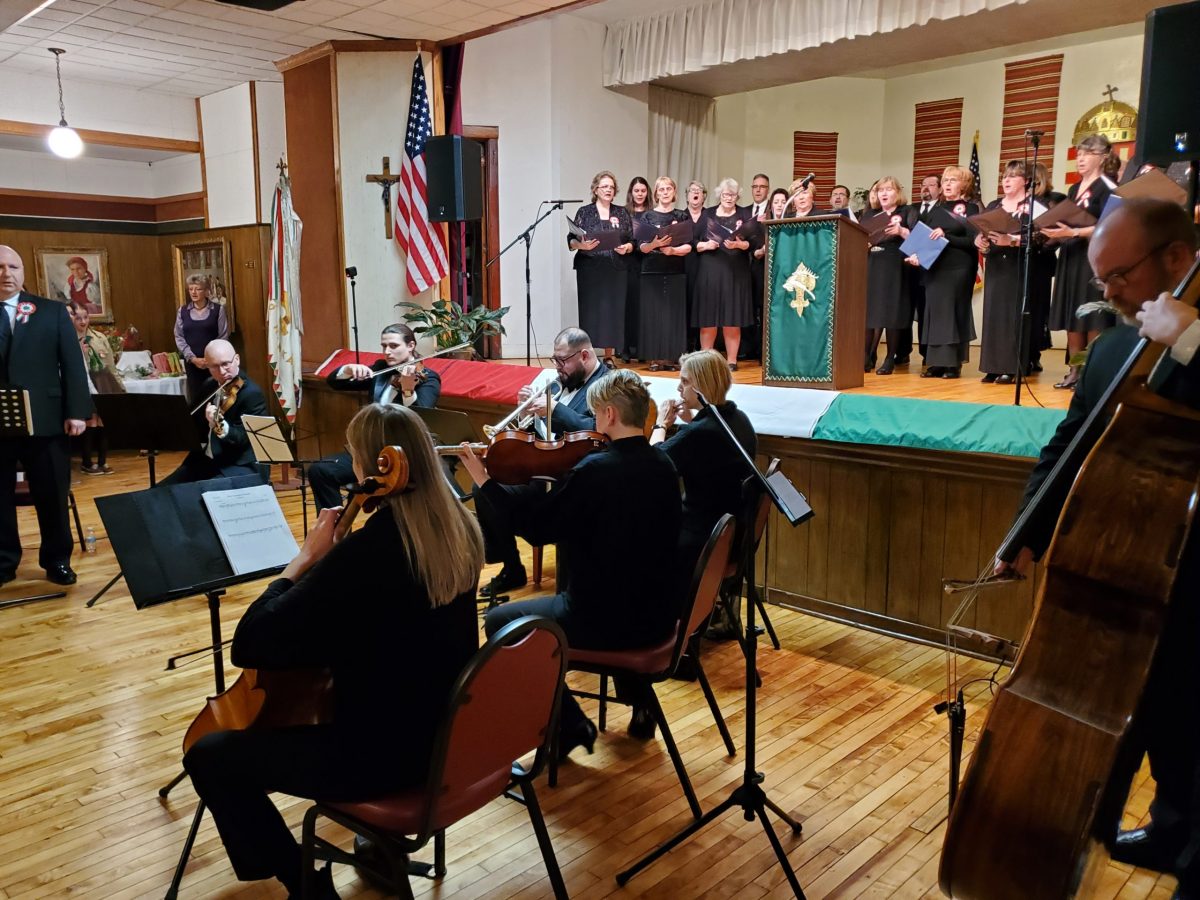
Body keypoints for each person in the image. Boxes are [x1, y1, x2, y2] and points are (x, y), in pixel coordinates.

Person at [184, 403, 483, 898]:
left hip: (382, 758)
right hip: (451, 738)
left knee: (211, 755)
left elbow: (252, 642)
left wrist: (303, 561)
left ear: (374, 467)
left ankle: (305, 886)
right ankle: (379, 846)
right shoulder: (460, 531)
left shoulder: (366, 554)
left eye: (353, 456)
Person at [996, 199, 1200, 895]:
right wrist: (1025, 531)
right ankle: (1170, 828)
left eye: (1121, 276)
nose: (1108, 293)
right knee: (1158, 712)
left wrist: (1192, 341)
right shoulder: (1113, 348)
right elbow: (1070, 447)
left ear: (1177, 258)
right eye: (1101, 278)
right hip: (1131, 567)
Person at [463, 369, 682, 752]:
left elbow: (537, 529)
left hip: (601, 620)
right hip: (659, 617)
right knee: (621, 581)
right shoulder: (664, 464)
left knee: (499, 621)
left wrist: (484, 482)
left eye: (596, 413)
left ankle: (570, 724)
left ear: (610, 414)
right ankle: (639, 701)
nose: (594, 422)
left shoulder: (595, 470)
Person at [475, 327, 609, 598]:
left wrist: (554, 409)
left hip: (574, 476)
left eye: (562, 360)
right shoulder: (561, 382)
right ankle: (511, 565)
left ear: (584, 355)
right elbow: (542, 433)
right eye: (554, 360)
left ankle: (542, 539)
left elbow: (597, 431)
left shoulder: (606, 385)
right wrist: (528, 411)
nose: (557, 367)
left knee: (513, 504)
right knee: (485, 487)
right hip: (542, 466)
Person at [0, 245, 92, 587]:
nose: (6, 274)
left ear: (23, 271)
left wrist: (77, 411)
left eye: (13, 267)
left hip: (46, 419)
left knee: (52, 494)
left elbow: (72, 363)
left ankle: (57, 561)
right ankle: (4, 562)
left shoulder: (51, 311)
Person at [307, 324, 441, 512]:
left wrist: (408, 391)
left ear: (411, 346)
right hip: (371, 449)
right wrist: (348, 369)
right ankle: (334, 523)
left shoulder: (428, 378)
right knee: (320, 471)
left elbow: (422, 416)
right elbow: (335, 383)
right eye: (384, 346)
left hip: (402, 456)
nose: (387, 352)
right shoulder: (381, 370)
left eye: (393, 346)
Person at [651, 349, 756, 584]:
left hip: (700, 541)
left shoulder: (700, 433)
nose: (679, 388)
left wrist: (661, 424)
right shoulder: (739, 418)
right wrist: (692, 420)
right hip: (731, 536)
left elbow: (653, 465)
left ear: (701, 386)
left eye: (685, 381)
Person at [1045, 134, 1118, 390]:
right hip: (1071, 255)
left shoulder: (1108, 186)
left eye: (1087, 154)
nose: (1081, 159)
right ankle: (1074, 370)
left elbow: (1110, 223)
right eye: (1079, 154)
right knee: (1073, 315)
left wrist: (1074, 231)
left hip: (1093, 257)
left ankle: (1090, 370)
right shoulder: (1074, 189)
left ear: (1102, 157)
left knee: (1092, 315)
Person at [160, 339, 268, 485]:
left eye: (225, 364)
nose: (222, 372)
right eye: (215, 366)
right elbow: (193, 421)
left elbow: (243, 438)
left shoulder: (251, 394)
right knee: (162, 490)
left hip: (239, 465)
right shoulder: (209, 385)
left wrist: (219, 424)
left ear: (237, 359)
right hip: (208, 460)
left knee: (198, 493)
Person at [915, 165, 980, 378]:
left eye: (953, 180)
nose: (947, 184)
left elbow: (972, 242)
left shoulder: (971, 209)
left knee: (954, 312)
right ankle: (935, 362)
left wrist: (946, 236)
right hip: (935, 268)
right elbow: (923, 238)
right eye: (945, 180)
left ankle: (952, 363)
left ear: (965, 184)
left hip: (959, 267)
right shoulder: (936, 209)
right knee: (935, 313)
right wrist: (916, 255)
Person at [975, 160, 1032, 384]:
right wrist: (980, 242)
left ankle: (1011, 366)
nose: (1006, 180)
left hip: (1017, 266)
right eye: (1004, 177)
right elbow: (984, 231)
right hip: (996, 264)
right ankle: (992, 366)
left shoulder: (1032, 205)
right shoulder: (994, 205)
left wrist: (1013, 241)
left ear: (1026, 181)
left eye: (1013, 176)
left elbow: (1042, 238)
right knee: (993, 314)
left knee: (1011, 315)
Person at [692, 177, 755, 370]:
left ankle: (732, 361)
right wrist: (706, 245)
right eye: (726, 194)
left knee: (732, 318)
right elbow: (694, 241)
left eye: (733, 195)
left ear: (738, 196)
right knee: (708, 318)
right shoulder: (707, 214)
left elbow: (753, 243)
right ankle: (705, 360)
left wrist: (739, 244)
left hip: (735, 272)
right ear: (720, 195)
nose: (729, 198)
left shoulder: (745, 214)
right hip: (710, 270)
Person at [569, 171, 633, 352]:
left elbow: (632, 240)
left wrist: (627, 248)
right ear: (595, 189)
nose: (608, 190)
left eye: (612, 187)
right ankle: (587, 353)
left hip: (616, 269)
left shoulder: (622, 212)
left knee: (613, 313)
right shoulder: (585, 212)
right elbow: (571, 240)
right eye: (604, 186)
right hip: (590, 270)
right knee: (590, 312)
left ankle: (609, 355)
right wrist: (582, 246)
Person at [637, 177, 692, 372]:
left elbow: (689, 246)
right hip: (651, 271)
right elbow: (641, 247)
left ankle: (671, 358)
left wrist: (673, 251)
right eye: (661, 189)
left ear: (674, 192)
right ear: (656, 194)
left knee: (673, 315)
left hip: (676, 271)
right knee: (653, 315)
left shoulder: (682, 216)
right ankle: (655, 358)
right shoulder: (647, 216)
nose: (665, 192)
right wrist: (655, 245)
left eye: (669, 188)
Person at [864, 177, 918, 374]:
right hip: (872, 263)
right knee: (870, 311)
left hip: (896, 263)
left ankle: (890, 358)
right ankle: (866, 356)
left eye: (889, 189)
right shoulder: (871, 214)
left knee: (892, 311)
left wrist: (902, 231)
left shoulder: (907, 211)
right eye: (881, 190)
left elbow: (918, 240)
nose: (884, 193)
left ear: (898, 193)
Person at [68, 302, 124, 476]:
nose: (83, 321)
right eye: (78, 318)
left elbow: (110, 365)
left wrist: (119, 386)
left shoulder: (99, 337)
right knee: (89, 422)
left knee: (103, 421)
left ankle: (102, 461)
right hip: (84, 384)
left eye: (85, 317)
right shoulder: (68, 339)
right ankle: (87, 462)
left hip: (103, 383)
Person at [175, 274, 231, 405]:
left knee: (215, 399)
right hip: (192, 364)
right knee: (196, 400)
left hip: (214, 363)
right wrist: (193, 358)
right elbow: (179, 336)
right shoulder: (183, 311)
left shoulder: (218, 310)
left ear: (206, 291)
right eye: (191, 289)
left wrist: (211, 359)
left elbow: (223, 336)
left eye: (198, 289)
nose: (193, 292)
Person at [625, 176, 651, 361]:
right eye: (636, 191)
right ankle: (627, 348)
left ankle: (643, 349)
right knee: (630, 306)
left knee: (645, 307)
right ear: (631, 193)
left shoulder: (652, 213)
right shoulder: (624, 213)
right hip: (629, 263)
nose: (640, 194)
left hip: (648, 262)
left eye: (643, 191)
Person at [683, 180, 708, 353]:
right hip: (684, 263)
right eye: (692, 190)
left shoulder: (710, 215)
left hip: (706, 263)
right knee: (687, 302)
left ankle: (702, 345)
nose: (696, 193)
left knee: (703, 302)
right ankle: (687, 342)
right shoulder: (681, 216)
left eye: (699, 190)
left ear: (704, 196)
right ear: (687, 195)